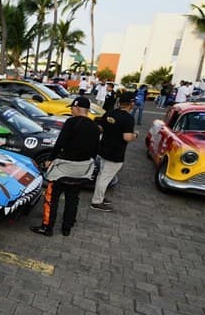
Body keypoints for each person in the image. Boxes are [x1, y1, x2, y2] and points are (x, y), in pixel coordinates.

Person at [31, 96, 101, 237]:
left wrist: (50, 159)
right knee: (73, 198)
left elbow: (60, 143)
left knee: (52, 197)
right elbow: (95, 150)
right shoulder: (95, 127)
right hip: (81, 169)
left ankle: (47, 227)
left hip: (63, 168)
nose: (71, 111)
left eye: (72, 108)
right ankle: (67, 227)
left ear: (76, 108)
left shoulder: (71, 122)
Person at [90, 91, 139, 212]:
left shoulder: (110, 112)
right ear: (130, 104)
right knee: (105, 177)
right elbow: (127, 137)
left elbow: (100, 128)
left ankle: (99, 196)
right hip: (116, 153)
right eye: (133, 102)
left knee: (102, 175)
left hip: (103, 149)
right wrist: (136, 135)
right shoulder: (128, 118)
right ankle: (96, 202)